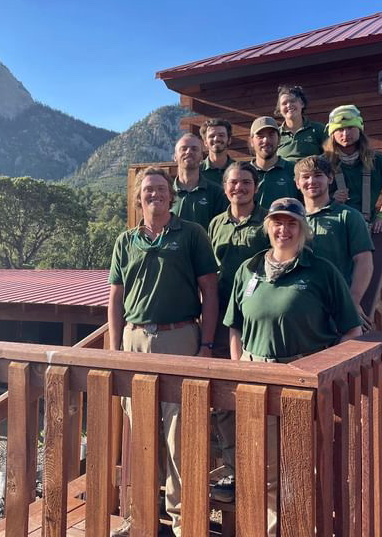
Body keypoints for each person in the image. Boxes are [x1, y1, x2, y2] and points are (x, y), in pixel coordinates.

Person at [224, 197, 362, 536]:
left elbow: (352, 330)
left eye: (291, 223)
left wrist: (326, 373)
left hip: (304, 380)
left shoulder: (321, 271)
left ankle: (304, 529)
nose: (283, 229)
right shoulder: (249, 270)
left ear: (303, 230)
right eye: (277, 222)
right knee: (264, 467)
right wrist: (240, 366)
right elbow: (235, 326)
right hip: (256, 379)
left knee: (304, 466)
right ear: (267, 227)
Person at [108, 166, 218, 537]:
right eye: (147, 190)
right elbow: (115, 297)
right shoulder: (125, 240)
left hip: (181, 338)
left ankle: (184, 522)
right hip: (134, 341)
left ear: (171, 196)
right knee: (140, 435)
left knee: (179, 435)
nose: (154, 194)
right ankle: (139, 520)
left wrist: (206, 344)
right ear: (139, 198)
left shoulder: (191, 234)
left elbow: (210, 291)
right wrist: (114, 346)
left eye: (160, 189)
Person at [206, 161, 270, 502]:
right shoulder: (215, 224)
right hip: (218, 321)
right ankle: (233, 469)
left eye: (246, 182)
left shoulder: (266, 223)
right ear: (225, 186)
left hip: (256, 318)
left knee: (256, 395)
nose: (239, 187)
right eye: (233, 182)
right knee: (224, 400)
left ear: (255, 187)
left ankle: (261, 470)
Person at [295, 155, 374, 325]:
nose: (312, 181)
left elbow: (364, 261)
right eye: (305, 177)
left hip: (337, 305)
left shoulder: (349, 216)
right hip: (299, 305)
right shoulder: (292, 220)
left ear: (330, 178)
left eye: (318, 175)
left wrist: (353, 301)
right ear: (297, 183)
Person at [323, 104, 382, 233]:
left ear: (360, 129)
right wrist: (330, 199)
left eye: (350, 127)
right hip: (329, 231)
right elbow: (305, 198)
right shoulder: (321, 163)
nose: (345, 134)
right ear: (332, 133)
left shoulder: (378, 161)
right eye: (340, 129)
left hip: (363, 232)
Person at [171, 133, 228, 230]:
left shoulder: (217, 192)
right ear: (175, 156)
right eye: (183, 149)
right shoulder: (166, 192)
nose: (189, 152)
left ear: (201, 156)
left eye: (194, 149)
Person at [249, 116, 300, 208]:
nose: (266, 140)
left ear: (279, 139)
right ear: (251, 141)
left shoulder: (294, 170)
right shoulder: (244, 174)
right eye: (260, 136)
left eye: (271, 135)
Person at [275, 85, 328, 163]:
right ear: (279, 109)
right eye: (284, 103)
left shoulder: (319, 129)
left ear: (302, 104)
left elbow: (330, 156)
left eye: (293, 101)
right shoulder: (275, 135)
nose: (289, 105)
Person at [199, 118, 235, 186]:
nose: (216, 139)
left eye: (221, 135)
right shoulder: (197, 172)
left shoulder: (240, 170)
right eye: (212, 136)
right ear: (205, 142)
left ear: (229, 140)